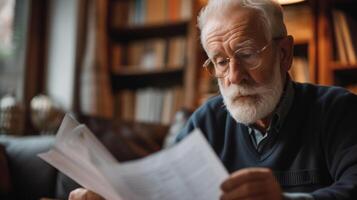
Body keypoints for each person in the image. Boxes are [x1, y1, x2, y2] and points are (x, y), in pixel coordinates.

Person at [69, 0, 357, 199]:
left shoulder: (337, 110)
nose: (233, 76)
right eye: (220, 61)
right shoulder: (206, 121)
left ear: (283, 54)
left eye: (247, 54)